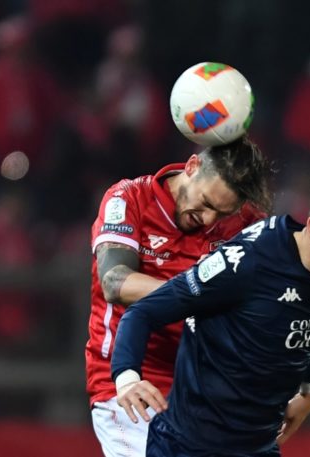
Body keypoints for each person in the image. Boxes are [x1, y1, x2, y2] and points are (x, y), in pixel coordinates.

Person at [111, 162, 310, 456]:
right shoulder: (246, 261)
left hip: (258, 447)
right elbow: (143, 312)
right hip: (188, 447)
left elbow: (307, 328)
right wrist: (126, 377)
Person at [86, 136, 272, 457]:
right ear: (192, 166)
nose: (209, 219)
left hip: (208, 389)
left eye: (222, 213)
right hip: (130, 382)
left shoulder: (249, 224)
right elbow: (114, 282)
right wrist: (196, 291)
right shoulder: (129, 198)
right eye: (207, 203)